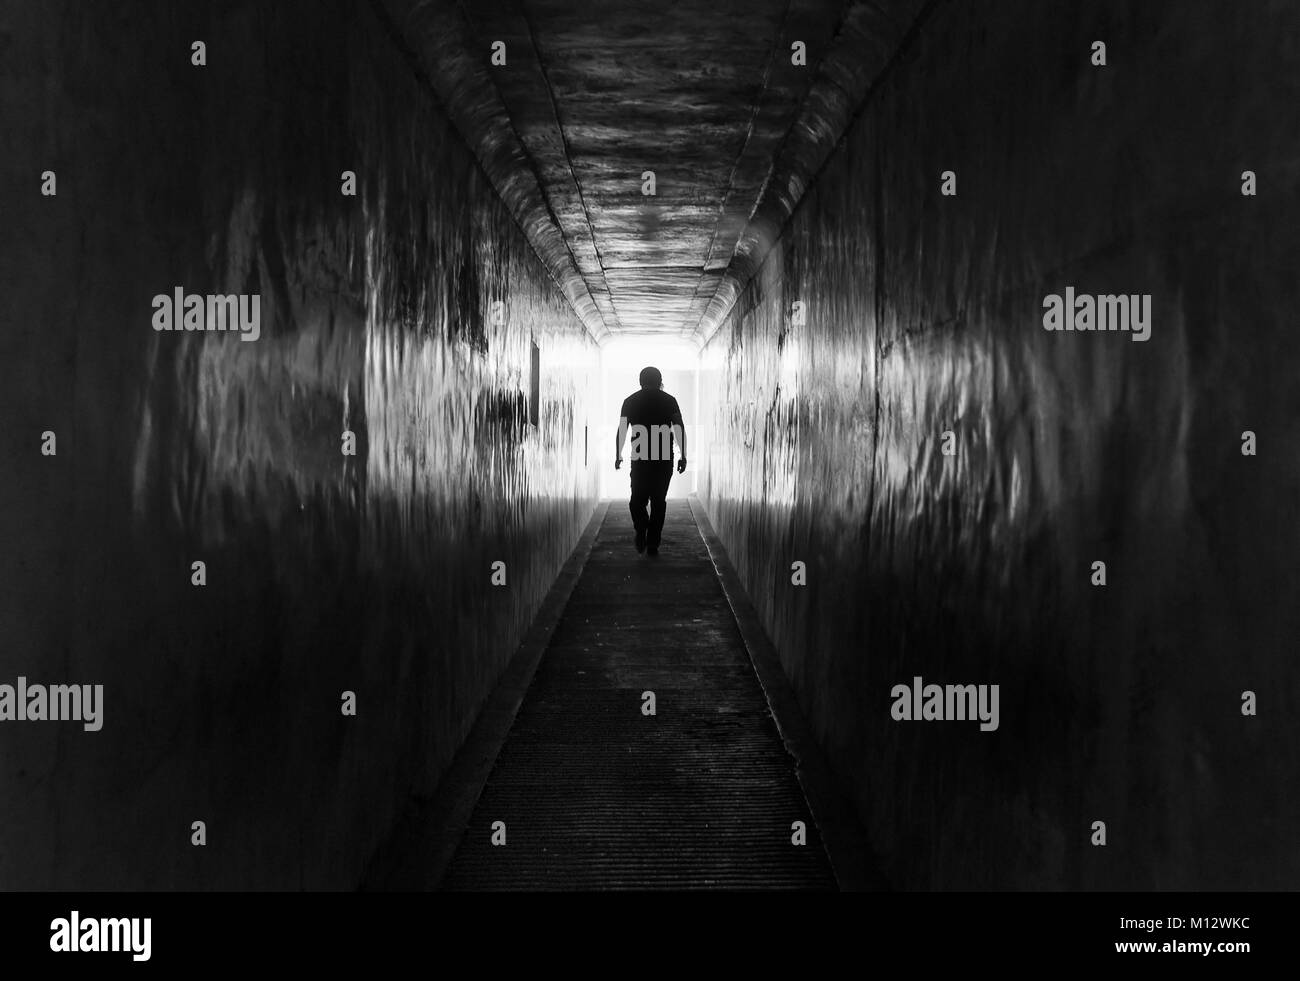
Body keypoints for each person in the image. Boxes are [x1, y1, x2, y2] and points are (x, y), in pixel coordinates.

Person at [615, 366, 687, 556]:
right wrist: (683, 455)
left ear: (640, 381)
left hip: (640, 458)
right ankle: (653, 542)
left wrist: (618, 454)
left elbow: (622, 429)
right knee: (658, 501)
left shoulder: (630, 401)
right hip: (663, 458)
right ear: (660, 380)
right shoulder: (669, 401)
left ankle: (641, 528)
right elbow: (679, 427)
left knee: (636, 501)